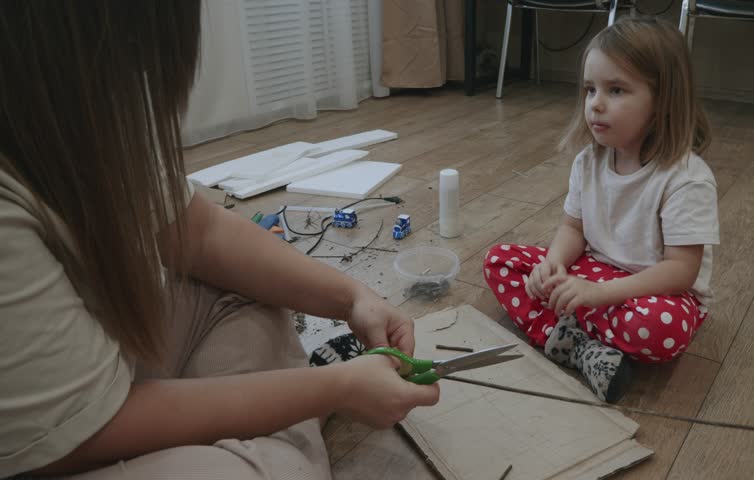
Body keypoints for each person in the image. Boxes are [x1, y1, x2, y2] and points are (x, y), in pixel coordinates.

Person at [0, 2, 439, 478]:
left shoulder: (87, 104)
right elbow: (79, 435)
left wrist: (353, 297)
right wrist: (331, 389)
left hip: (87, 389)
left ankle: (279, 442)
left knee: (249, 291)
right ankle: (283, 448)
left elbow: (198, 231)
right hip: (54, 443)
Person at [484, 18, 718, 403]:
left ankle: (563, 326)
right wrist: (554, 264)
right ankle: (578, 347)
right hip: (592, 272)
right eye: (590, 89)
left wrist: (598, 294)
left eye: (616, 90)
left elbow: (681, 271)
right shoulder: (587, 161)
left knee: (661, 329)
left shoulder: (687, 178)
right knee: (500, 261)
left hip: (656, 291)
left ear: (662, 101)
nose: (596, 103)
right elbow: (572, 228)